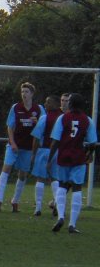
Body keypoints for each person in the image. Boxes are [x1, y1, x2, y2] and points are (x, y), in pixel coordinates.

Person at [47, 93, 97, 233]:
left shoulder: (62, 118)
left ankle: (61, 217)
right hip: (78, 158)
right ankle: (72, 224)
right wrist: (89, 154)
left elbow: (55, 141)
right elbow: (92, 143)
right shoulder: (87, 120)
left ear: (70, 104)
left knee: (62, 186)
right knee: (77, 188)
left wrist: (49, 159)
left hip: (63, 156)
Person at [0, 82, 45, 212]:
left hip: (28, 147)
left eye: (27, 92)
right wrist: (12, 142)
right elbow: (10, 126)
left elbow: (44, 127)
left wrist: (37, 122)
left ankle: (15, 201)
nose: (24, 94)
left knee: (22, 175)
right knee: (6, 169)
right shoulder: (16, 107)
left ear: (32, 94)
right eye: (22, 92)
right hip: (15, 145)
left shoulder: (39, 109)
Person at [30, 95, 62, 216]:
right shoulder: (62, 117)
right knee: (55, 179)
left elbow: (37, 138)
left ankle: (38, 208)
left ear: (54, 104)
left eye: (48, 102)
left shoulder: (44, 118)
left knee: (40, 178)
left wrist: (33, 154)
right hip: (58, 152)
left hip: (44, 151)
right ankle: (57, 205)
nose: (45, 104)